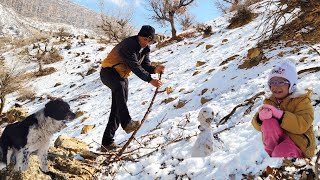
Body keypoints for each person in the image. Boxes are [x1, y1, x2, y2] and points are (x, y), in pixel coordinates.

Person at [99, 25, 165, 151]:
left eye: (149, 41)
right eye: (144, 39)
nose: (146, 43)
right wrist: (150, 80)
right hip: (108, 72)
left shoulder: (145, 49)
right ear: (139, 36)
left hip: (122, 76)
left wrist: (154, 69)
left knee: (119, 105)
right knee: (119, 88)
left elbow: (145, 65)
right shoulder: (129, 44)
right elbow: (134, 66)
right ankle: (127, 123)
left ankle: (107, 142)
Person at [252, 60, 315, 158]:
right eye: (273, 82)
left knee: (281, 151)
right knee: (268, 123)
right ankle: (272, 158)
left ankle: (282, 159)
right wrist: (260, 118)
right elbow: (258, 127)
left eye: (281, 82)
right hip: (277, 141)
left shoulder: (302, 100)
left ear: (291, 85)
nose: (276, 86)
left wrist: (280, 115)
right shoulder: (270, 100)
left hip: (298, 143)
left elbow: (302, 125)